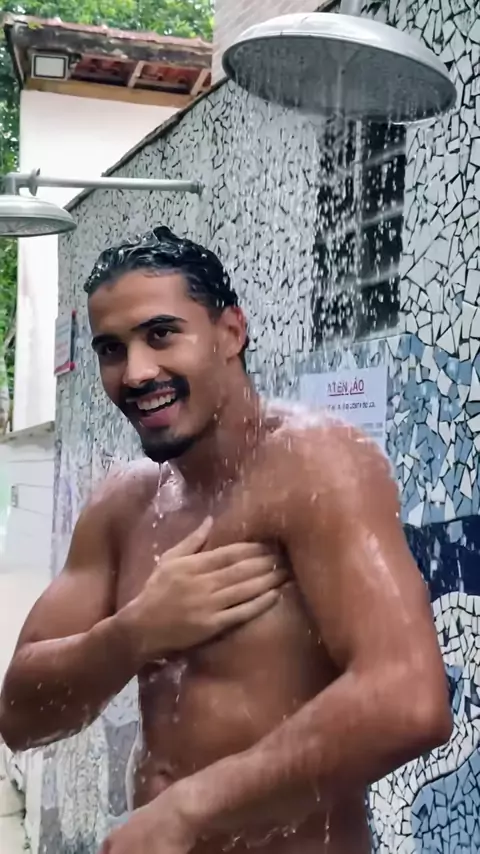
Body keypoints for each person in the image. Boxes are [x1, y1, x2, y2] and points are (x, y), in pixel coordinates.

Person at [0, 226, 452, 854]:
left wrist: (188, 812)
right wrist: (135, 633)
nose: (136, 372)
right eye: (111, 349)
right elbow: (20, 719)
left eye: (162, 334)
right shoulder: (123, 504)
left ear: (231, 332)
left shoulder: (314, 467)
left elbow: (409, 700)